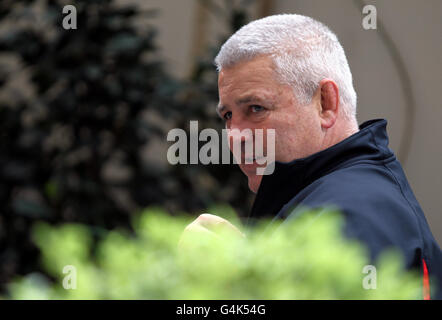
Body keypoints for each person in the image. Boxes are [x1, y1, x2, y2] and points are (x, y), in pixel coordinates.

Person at [180, 14, 442, 299]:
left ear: (326, 103)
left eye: (256, 108)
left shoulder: (350, 215)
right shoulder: (330, 197)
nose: (235, 136)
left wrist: (232, 287)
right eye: (228, 116)